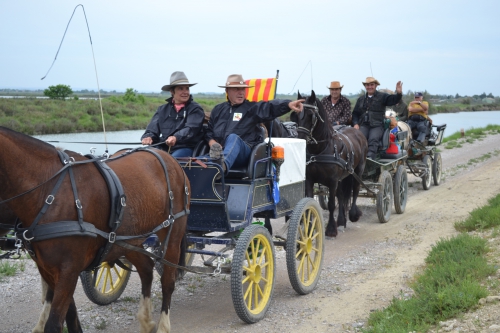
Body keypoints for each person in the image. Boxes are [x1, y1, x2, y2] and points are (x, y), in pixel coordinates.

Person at [204, 74, 304, 173]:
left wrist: (287, 104)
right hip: (219, 154)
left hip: (244, 155)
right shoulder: (218, 110)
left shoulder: (251, 108)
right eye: (236, 89)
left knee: (233, 138)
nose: (241, 92)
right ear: (227, 91)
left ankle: (220, 168)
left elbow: (269, 107)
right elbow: (209, 131)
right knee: (194, 161)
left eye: (243, 89)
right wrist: (212, 142)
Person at [141, 71, 205, 157]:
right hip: (164, 146)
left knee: (171, 161)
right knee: (144, 155)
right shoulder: (162, 109)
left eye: (187, 88)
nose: (185, 92)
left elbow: (190, 128)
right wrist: (149, 137)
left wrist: (176, 137)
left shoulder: (195, 109)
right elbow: (152, 128)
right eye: (181, 89)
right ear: (172, 91)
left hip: (186, 148)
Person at [352, 77, 403, 159]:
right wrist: (355, 124)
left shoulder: (382, 96)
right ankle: (358, 158)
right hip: (364, 125)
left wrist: (399, 93)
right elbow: (355, 114)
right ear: (365, 86)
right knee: (358, 138)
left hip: (377, 125)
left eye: (372, 85)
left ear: (375, 86)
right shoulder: (361, 99)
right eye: (367, 85)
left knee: (373, 138)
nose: (370, 87)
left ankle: (369, 158)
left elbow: (393, 100)